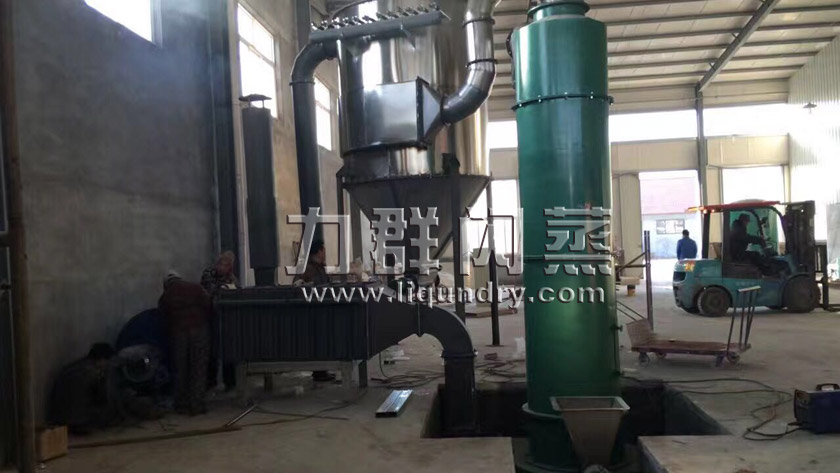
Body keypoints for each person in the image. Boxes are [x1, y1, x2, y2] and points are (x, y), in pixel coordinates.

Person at [158, 271, 212, 415]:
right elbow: (209, 305)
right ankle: (197, 405)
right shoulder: (196, 288)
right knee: (198, 368)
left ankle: (181, 405)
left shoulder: (166, 296)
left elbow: (163, 317)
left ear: (166, 284)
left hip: (179, 333)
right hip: (199, 330)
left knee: (180, 369)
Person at [50, 343, 122, 434]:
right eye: (107, 362)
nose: (107, 365)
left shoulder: (77, 366)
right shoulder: (92, 372)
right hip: (75, 420)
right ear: (102, 360)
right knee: (111, 411)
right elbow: (101, 398)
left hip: (59, 418)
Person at [293, 240, 334, 381]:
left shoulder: (319, 267)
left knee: (322, 340)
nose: (325, 254)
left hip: (321, 309)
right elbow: (301, 285)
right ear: (319, 252)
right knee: (317, 340)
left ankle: (321, 370)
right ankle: (319, 371)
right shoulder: (309, 268)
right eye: (323, 250)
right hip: (313, 310)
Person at [201, 251, 239, 390]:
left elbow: (236, 291)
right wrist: (223, 289)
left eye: (227, 265)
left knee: (228, 350)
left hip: (226, 318)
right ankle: (211, 382)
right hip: (210, 316)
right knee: (212, 350)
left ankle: (230, 382)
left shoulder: (231, 278)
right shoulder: (209, 273)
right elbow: (209, 291)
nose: (223, 267)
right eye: (222, 264)